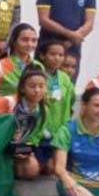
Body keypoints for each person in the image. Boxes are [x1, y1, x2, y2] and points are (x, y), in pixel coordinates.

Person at [36, 0, 96, 82]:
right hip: (47, 47)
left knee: (67, 87)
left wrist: (71, 41)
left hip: (72, 49)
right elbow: (43, 20)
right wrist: (71, 35)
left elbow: (89, 24)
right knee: (41, 86)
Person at [0, 67, 48, 179]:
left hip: (18, 148)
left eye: (41, 86)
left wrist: (27, 150)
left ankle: (13, 168)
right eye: (32, 86)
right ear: (22, 88)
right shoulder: (6, 103)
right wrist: (8, 137)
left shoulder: (43, 110)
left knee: (33, 170)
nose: (37, 90)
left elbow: (35, 137)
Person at [36, 40, 75, 174]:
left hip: (58, 132)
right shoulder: (36, 75)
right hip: (39, 133)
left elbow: (70, 103)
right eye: (53, 54)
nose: (57, 58)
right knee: (36, 170)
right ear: (42, 56)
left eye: (61, 55)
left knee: (54, 168)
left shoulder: (65, 78)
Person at [0, 23, 40, 107]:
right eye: (25, 40)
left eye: (34, 40)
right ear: (13, 41)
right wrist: (9, 101)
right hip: (5, 117)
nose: (30, 44)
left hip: (32, 116)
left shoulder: (39, 66)